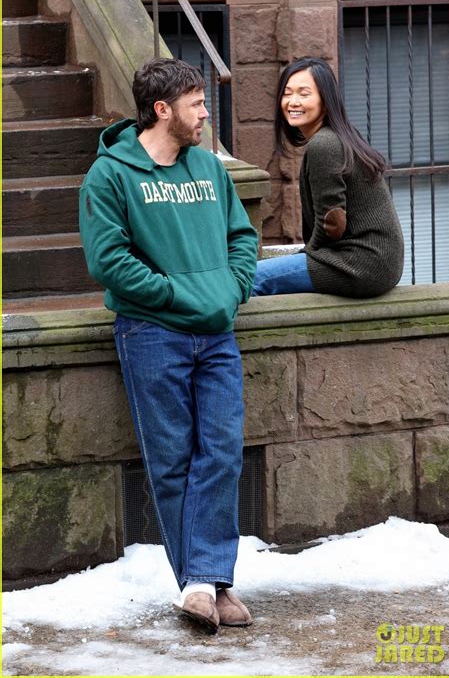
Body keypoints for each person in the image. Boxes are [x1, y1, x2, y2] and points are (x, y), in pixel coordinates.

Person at [79, 58, 258, 634]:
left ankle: (203, 583)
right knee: (173, 460)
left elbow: (242, 237)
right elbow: (108, 262)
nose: (207, 112)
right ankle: (207, 584)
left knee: (224, 451)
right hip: (151, 332)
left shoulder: (210, 168)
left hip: (217, 333)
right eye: (197, 103)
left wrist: (230, 289)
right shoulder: (109, 177)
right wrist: (176, 295)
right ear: (163, 110)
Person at [252, 57, 404, 298]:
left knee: (248, 279)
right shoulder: (337, 136)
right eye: (287, 93)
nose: (293, 102)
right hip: (377, 263)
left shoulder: (324, 144)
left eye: (304, 94)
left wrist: (306, 254)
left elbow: (333, 223)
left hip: (360, 264)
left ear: (325, 101)